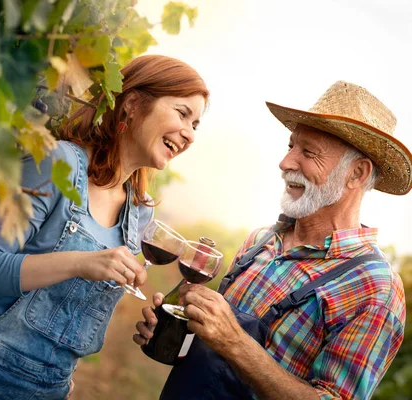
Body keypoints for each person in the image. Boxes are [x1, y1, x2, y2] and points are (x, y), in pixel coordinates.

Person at [0, 55, 209, 399]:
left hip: (51, 389)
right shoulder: (59, 164)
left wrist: (154, 328)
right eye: (183, 113)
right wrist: (79, 263)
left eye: (196, 124)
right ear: (134, 104)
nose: (190, 135)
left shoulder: (140, 213)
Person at [134, 81, 410, 400]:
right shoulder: (261, 240)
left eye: (308, 152)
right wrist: (173, 333)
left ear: (357, 174)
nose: (286, 162)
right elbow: (210, 355)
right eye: (290, 146)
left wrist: (235, 342)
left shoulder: (376, 289)